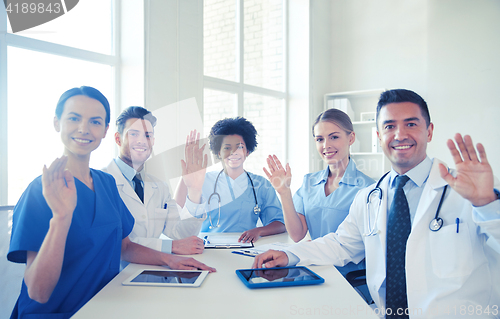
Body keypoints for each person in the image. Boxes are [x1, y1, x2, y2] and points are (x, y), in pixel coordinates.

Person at [253, 89, 500, 318]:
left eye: (411, 124)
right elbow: (340, 244)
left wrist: (488, 205)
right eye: (389, 126)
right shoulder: (370, 197)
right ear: (379, 136)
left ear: (429, 130)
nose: (400, 134)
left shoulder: (471, 190)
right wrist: (289, 253)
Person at [7, 87, 215, 318]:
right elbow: (38, 292)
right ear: (57, 123)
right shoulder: (39, 192)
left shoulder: (105, 183)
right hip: (55, 314)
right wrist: (61, 218)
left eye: (95, 121)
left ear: (104, 130)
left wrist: (170, 260)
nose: (84, 128)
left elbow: (125, 247)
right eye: (74, 118)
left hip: (105, 305)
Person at [103, 106, 205, 255]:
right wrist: (169, 247)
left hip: (158, 273)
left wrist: (195, 192)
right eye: (133, 134)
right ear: (118, 139)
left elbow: (182, 235)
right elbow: (115, 241)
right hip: (120, 275)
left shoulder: (159, 187)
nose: (141, 141)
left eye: (147, 135)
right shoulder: (101, 183)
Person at [264, 108, 374, 242]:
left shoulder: (368, 188)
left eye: (334, 137)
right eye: (320, 139)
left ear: (351, 138)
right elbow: (297, 235)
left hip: (346, 262)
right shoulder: (309, 182)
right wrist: (284, 192)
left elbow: (365, 243)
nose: (326, 145)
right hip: (314, 262)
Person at [175, 117, 285, 243]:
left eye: (240, 147)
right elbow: (177, 211)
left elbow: (280, 223)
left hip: (245, 248)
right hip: (207, 249)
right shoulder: (202, 180)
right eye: (227, 148)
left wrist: (258, 231)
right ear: (218, 153)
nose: (234, 152)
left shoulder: (261, 185)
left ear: (247, 151)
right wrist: (184, 179)